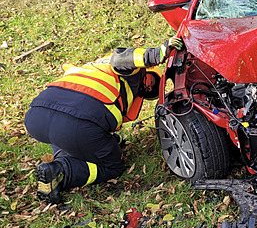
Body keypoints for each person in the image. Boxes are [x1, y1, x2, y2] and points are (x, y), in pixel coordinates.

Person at [25, 37, 184, 204]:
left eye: (150, 91)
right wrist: (157, 53)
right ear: (145, 71)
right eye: (151, 81)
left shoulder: (87, 69)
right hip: (77, 123)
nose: (149, 87)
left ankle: (52, 170)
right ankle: (63, 171)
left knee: (67, 134)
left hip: (37, 117)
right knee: (113, 166)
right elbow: (121, 57)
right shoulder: (131, 71)